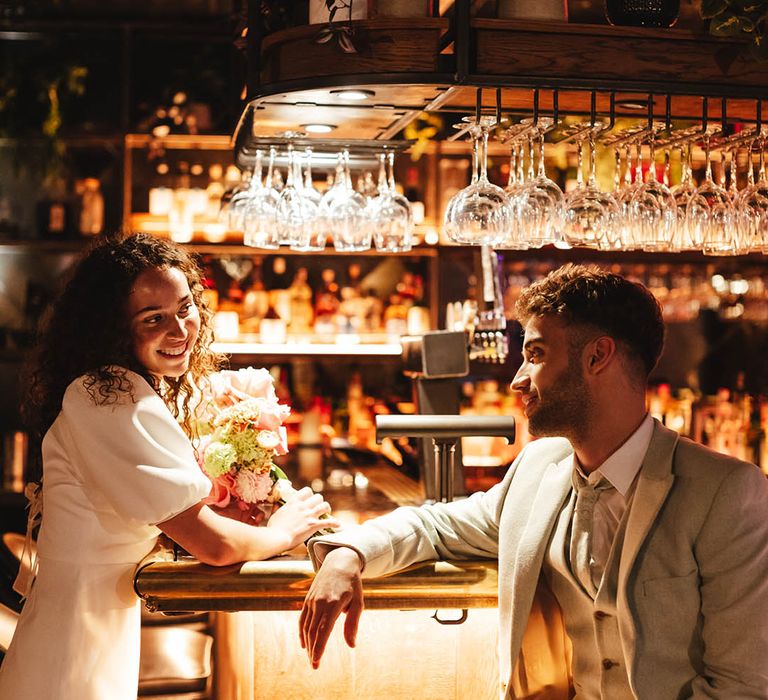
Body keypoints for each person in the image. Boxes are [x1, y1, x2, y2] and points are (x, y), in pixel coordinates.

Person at [300, 264, 768, 699]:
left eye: (535, 354)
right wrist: (349, 553)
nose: (517, 380)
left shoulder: (727, 491)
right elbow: (436, 526)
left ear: (597, 356)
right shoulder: (539, 468)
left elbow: (743, 686)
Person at [0, 232, 338, 700]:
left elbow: (142, 514)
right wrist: (282, 531)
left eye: (184, 308)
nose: (179, 330)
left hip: (94, 622)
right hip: (71, 645)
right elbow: (214, 547)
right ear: (113, 327)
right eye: (153, 318)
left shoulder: (116, 389)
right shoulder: (109, 398)